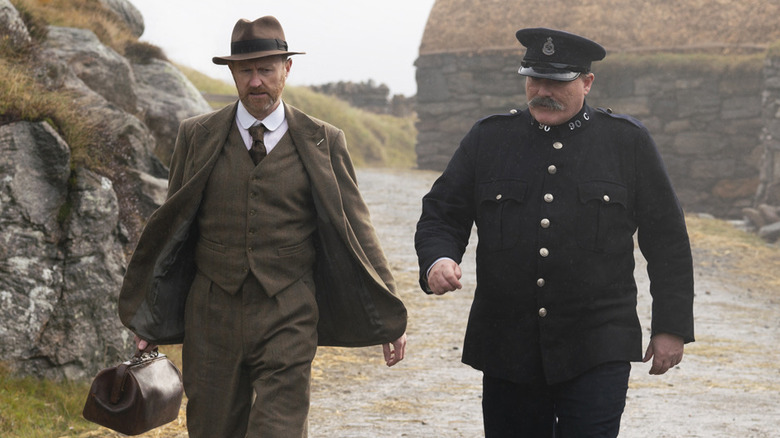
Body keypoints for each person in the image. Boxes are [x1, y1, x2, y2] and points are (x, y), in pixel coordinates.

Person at [118, 16, 407, 437]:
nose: (256, 82)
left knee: (279, 430)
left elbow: (357, 229)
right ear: (232, 73)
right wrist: (150, 317)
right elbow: (173, 230)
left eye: (266, 70)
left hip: (289, 312)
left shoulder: (324, 140)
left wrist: (389, 313)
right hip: (211, 315)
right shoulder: (195, 136)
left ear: (287, 70)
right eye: (246, 71)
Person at [415, 27, 694, 437]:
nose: (542, 91)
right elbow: (442, 212)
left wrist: (671, 326)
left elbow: (666, 238)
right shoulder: (489, 139)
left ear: (587, 82)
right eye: (534, 79)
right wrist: (439, 258)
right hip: (507, 342)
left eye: (557, 82)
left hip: (598, 343)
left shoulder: (626, 143)